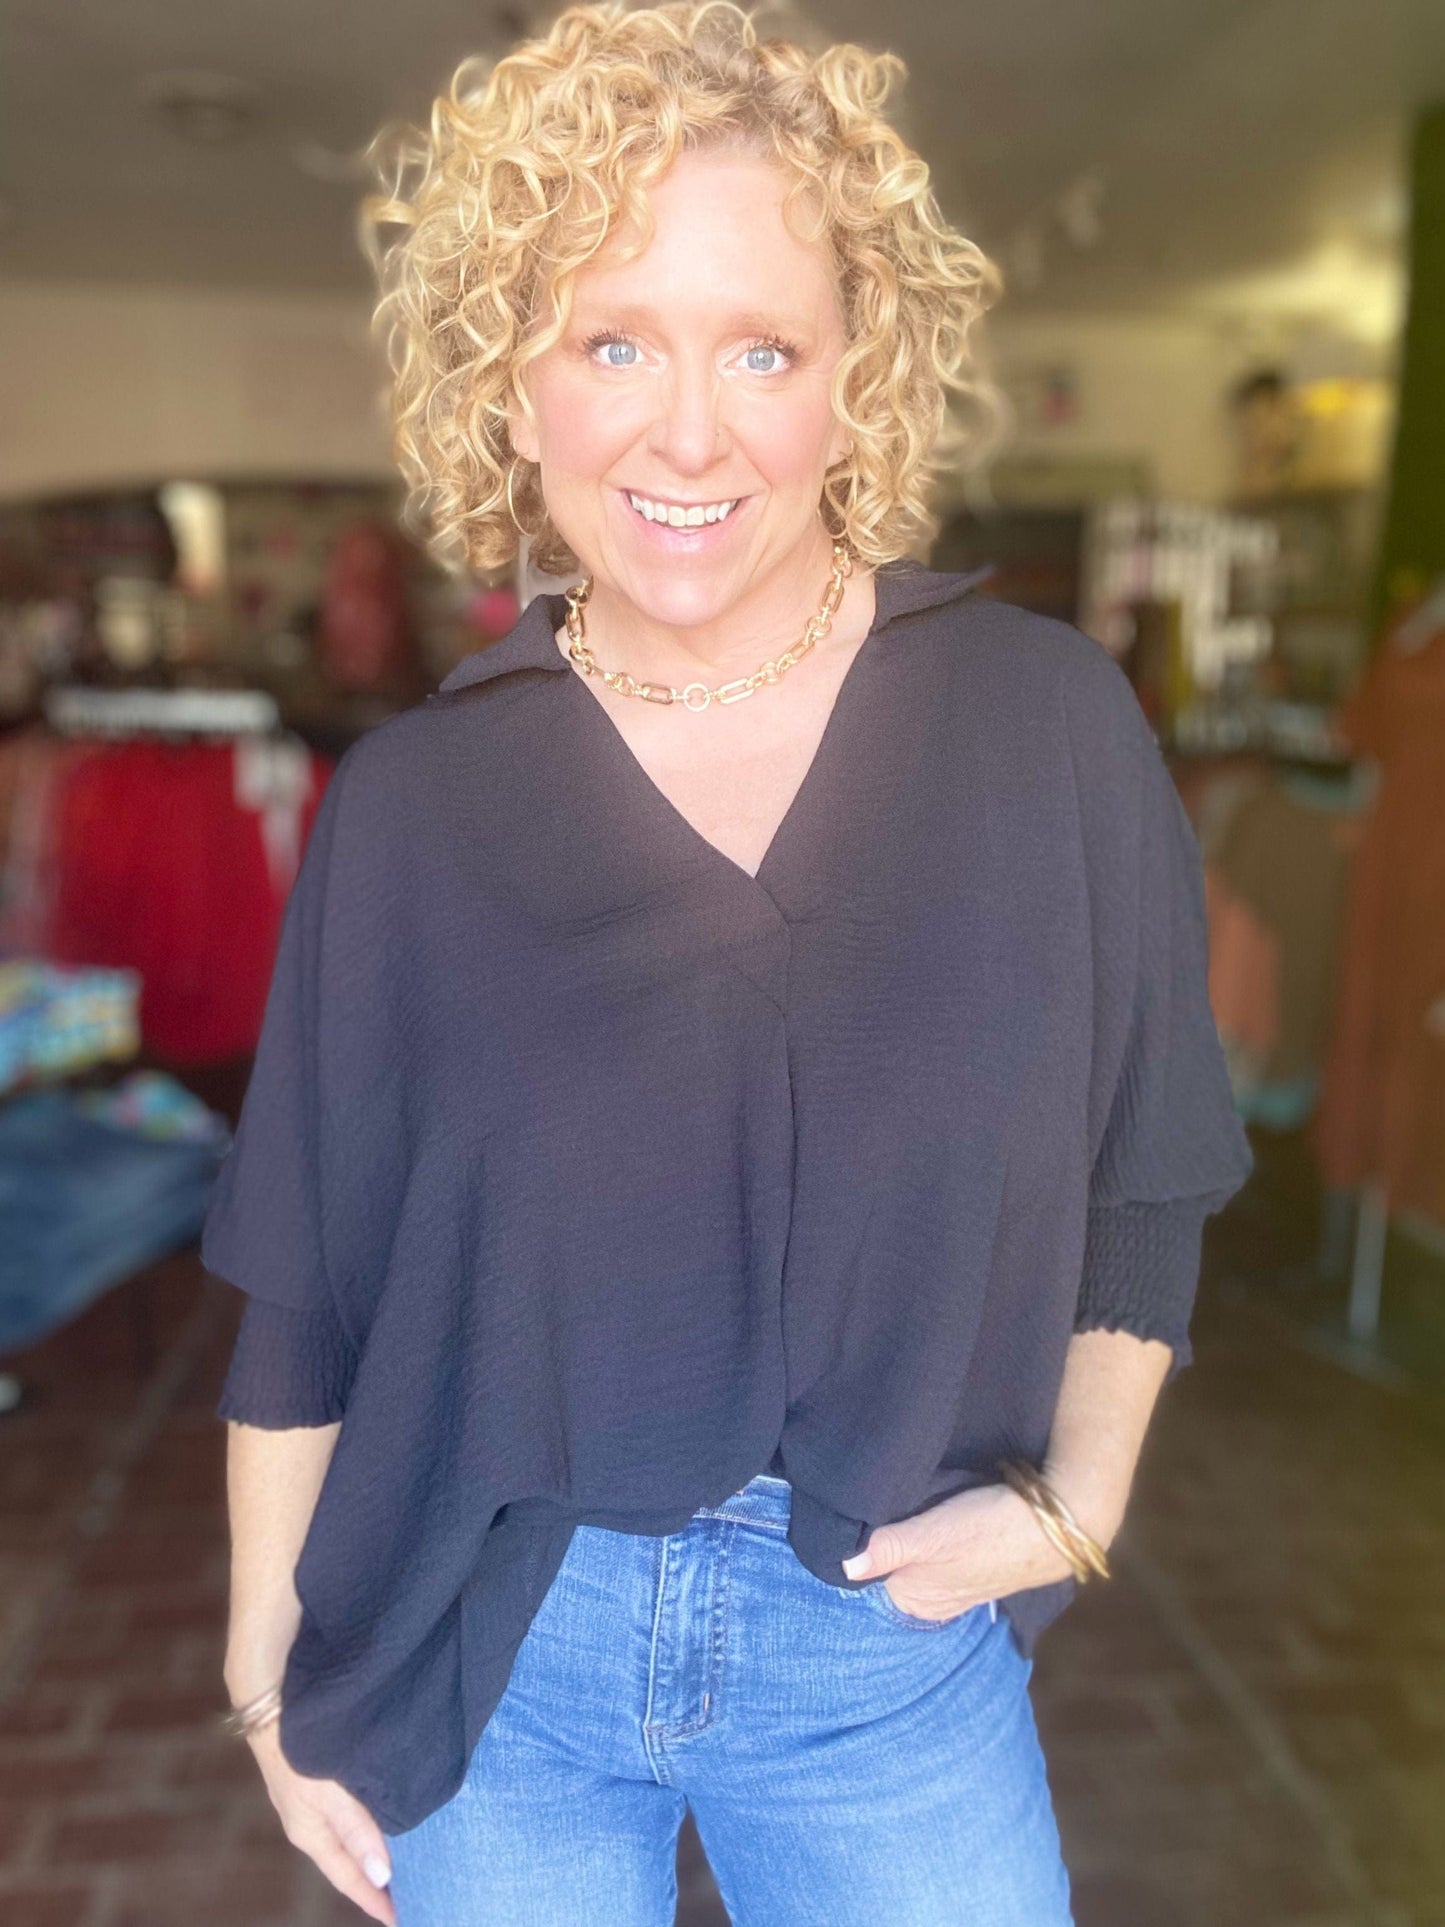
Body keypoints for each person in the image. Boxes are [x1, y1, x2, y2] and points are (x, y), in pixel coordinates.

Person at [205, 5, 1254, 1923]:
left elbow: (1148, 1163)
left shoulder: (1042, 728)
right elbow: (311, 1292)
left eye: (760, 348)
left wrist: (1080, 1500)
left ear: (859, 379)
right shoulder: (417, 806)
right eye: (611, 342)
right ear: (510, 383)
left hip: (883, 1653)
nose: (687, 432)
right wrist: (265, 1672)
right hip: (493, 1653)